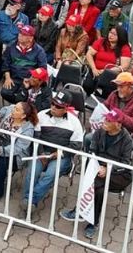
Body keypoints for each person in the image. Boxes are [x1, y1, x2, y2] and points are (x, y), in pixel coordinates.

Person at [61, 110, 133, 239]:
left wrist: (108, 169)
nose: (104, 122)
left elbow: (125, 163)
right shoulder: (99, 132)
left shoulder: (127, 140)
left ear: (118, 124)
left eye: (108, 121)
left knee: (94, 184)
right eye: (105, 119)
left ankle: (80, 211)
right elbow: (93, 151)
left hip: (119, 174)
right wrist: (96, 166)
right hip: (99, 169)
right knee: (98, 190)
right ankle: (92, 222)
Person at [21, 91, 84, 221]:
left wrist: (60, 153)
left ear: (66, 108)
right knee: (32, 172)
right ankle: (30, 203)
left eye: (58, 106)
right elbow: (36, 137)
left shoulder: (74, 122)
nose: (54, 107)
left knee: (50, 174)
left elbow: (77, 145)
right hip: (42, 151)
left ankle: (29, 201)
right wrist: (41, 153)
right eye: (53, 104)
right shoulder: (41, 115)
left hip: (62, 156)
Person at [0, 101, 38, 203]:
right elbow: (6, 108)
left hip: (16, 154)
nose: (13, 110)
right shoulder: (11, 111)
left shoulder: (28, 129)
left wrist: (0, 150)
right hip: (1, 142)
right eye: (15, 107)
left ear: (23, 116)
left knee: (1, 163)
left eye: (17, 110)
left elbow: (18, 148)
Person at [83, 26, 132, 97]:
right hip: (95, 70)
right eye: (110, 32)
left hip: (111, 74)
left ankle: (103, 100)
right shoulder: (101, 41)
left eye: (114, 34)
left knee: (107, 87)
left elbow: (124, 67)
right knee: (87, 85)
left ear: (120, 36)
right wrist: (94, 68)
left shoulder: (125, 48)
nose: (111, 35)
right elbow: (89, 54)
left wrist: (106, 71)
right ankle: (91, 96)